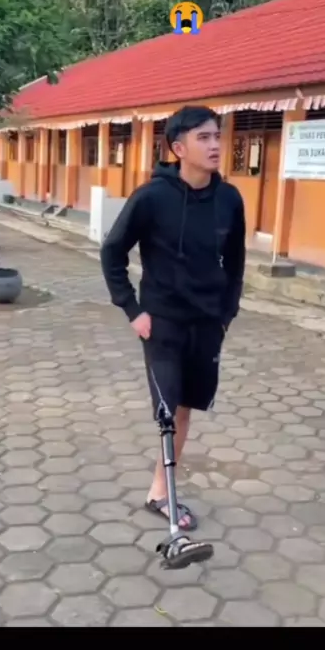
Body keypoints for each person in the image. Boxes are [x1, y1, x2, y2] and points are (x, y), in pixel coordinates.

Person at [100, 105, 246, 531]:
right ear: (179, 148)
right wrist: (132, 309)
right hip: (161, 322)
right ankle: (165, 501)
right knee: (166, 411)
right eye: (204, 138)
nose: (215, 145)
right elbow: (112, 251)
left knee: (183, 409)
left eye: (217, 136)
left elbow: (236, 261)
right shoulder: (152, 198)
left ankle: (159, 489)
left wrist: (227, 313)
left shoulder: (229, 199)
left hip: (208, 323)